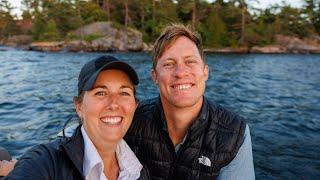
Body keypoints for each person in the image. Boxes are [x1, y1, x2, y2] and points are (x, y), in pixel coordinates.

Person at [124, 24, 255, 179]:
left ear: (205, 72)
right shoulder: (131, 120)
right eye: (169, 64)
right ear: (155, 76)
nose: (180, 73)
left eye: (190, 61)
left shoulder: (234, 132)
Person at [6, 55, 149, 180]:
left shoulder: (138, 170)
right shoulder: (45, 163)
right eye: (100, 93)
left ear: (135, 106)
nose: (114, 104)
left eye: (124, 93)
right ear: (79, 107)